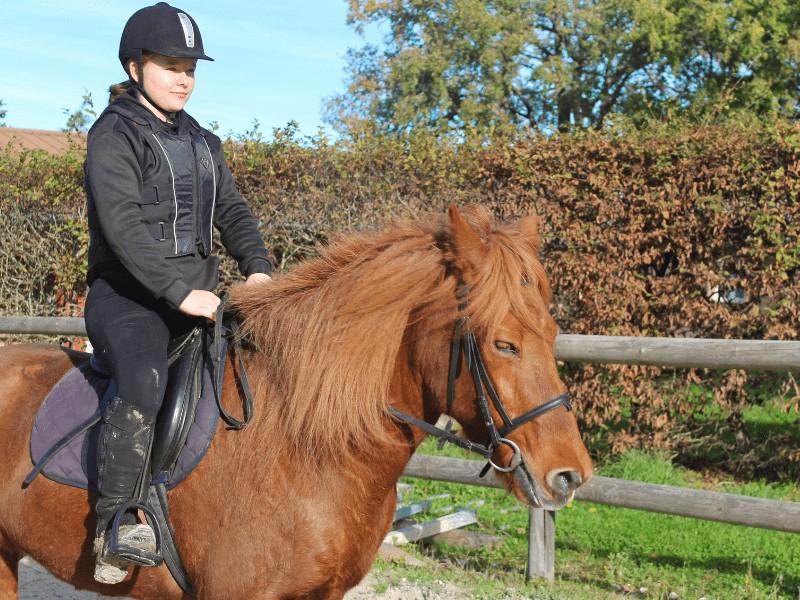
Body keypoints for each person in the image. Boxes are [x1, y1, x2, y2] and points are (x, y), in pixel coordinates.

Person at [83, 2, 272, 585]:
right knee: (143, 378)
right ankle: (114, 521)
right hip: (127, 300)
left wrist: (260, 268)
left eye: (190, 65)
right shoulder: (112, 135)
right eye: (170, 64)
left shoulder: (202, 141)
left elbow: (233, 212)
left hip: (199, 296)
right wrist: (176, 291)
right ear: (136, 67)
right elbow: (123, 228)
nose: (185, 76)